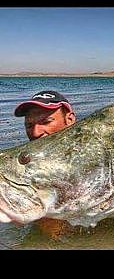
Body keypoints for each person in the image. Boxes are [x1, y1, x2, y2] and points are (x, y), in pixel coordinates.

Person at [14, 90, 76, 238]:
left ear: (70, 119)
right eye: (29, 125)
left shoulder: (104, 157)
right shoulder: (26, 167)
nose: (35, 133)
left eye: (46, 122)